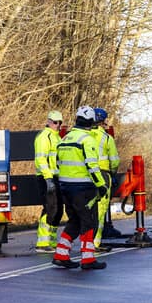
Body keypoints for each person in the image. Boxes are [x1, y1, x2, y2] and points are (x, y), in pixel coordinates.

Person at [52, 106, 108, 270]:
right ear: (91, 122)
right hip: (83, 189)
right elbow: (92, 166)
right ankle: (88, 259)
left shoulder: (65, 139)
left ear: (76, 120)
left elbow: (57, 164)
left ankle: (61, 255)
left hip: (65, 188)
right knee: (88, 222)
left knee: (74, 221)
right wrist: (101, 185)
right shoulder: (87, 139)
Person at [34, 110, 64, 253]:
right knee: (50, 208)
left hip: (56, 177)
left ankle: (51, 240)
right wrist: (48, 179)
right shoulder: (44, 137)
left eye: (60, 122)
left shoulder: (57, 138)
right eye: (55, 122)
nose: (58, 125)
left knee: (58, 210)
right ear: (49, 121)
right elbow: (41, 159)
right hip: (46, 177)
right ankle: (42, 242)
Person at [91, 107, 120, 250]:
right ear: (102, 121)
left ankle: (86, 241)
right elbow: (114, 161)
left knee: (87, 209)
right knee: (101, 209)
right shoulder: (106, 138)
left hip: (85, 175)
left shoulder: (83, 135)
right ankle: (95, 242)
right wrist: (112, 173)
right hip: (103, 174)